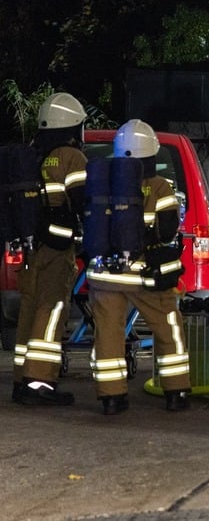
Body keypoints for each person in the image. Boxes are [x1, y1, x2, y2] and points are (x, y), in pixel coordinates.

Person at [85, 119, 190, 415]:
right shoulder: (159, 186)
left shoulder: (102, 181)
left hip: (104, 274)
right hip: (143, 275)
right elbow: (168, 229)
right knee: (168, 327)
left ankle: (111, 397)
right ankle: (176, 391)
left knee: (108, 334)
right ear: (151, 153)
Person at [12, 92, 87, 406]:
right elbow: (82, 201)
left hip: (30, 247)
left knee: (29, 309)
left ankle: (22, 378)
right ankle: (40, 381)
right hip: (57, 248)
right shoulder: (71, 157)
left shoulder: (34, 156)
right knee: (53, 307)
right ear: (71, 127)